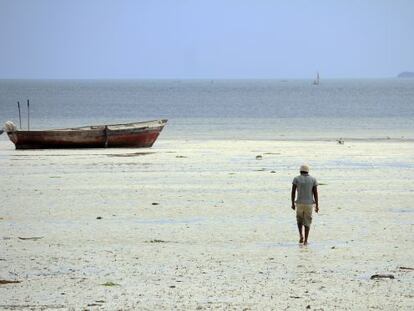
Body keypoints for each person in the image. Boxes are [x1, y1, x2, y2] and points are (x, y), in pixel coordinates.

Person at [291, 164, 319, 245]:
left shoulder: (296, 179)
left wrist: (292, 203)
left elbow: (293, 192)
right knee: (307, 221)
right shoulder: (313, 179)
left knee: (299, 220)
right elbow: (315, 193)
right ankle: (306, 240)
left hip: (299, 203)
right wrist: (317, 205)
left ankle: (300, 236)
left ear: (300, 171)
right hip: (309, 204)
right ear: (308, 171)